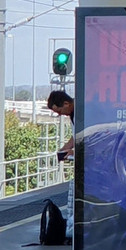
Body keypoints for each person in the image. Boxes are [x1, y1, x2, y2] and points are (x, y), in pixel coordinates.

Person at [47, 89, 76, 241]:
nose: (60, 115)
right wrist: (65, 149)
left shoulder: (82, 112)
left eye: (60, 111)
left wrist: (74, 150)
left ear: (66, 103)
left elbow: (88, 137)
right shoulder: (73, 115)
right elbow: (77, 135)